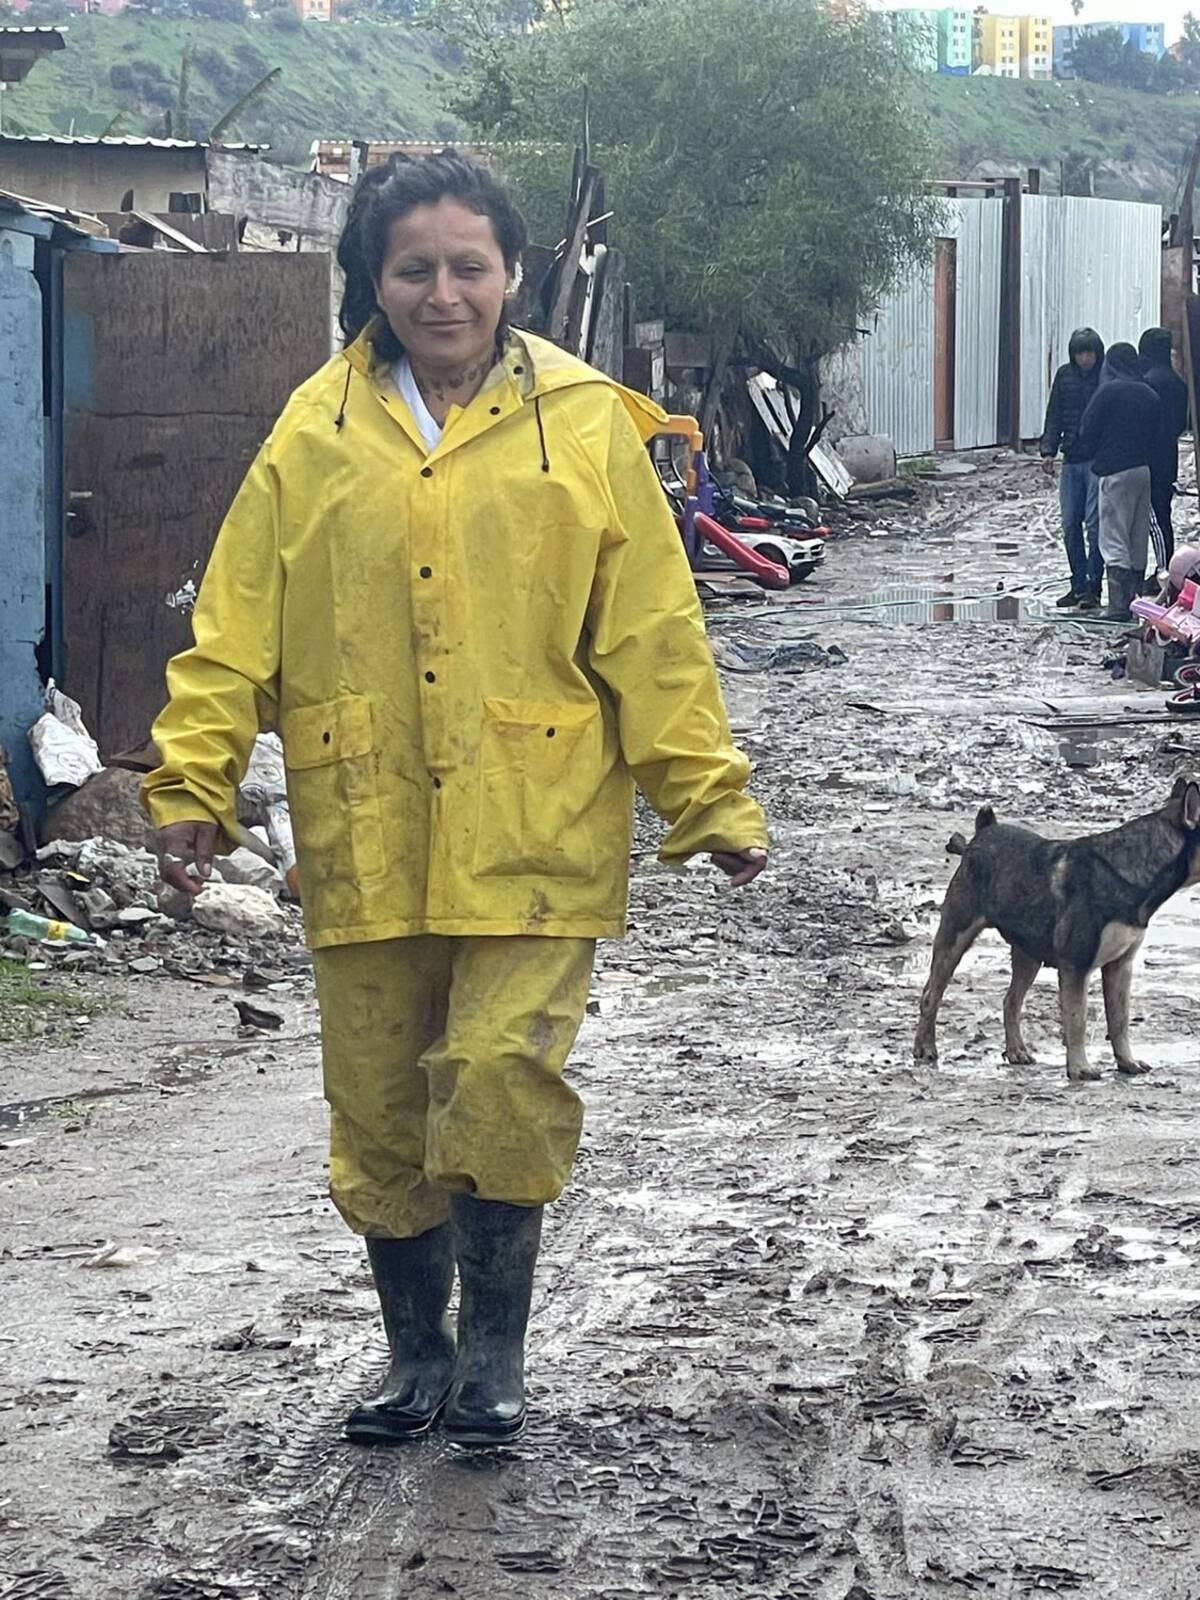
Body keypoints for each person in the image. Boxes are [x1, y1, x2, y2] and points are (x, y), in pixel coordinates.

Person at [140, 151, 768, 1448]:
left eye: (468, 267)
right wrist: (191, 782)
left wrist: (704, 794)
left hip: (537, 821)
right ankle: (412, 1358)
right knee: (379, 1114)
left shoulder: (588, 421)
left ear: (513, 275)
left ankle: (494, 1357)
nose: (443, 294)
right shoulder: (311, 433)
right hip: (364, 824)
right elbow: (233, 625)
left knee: (492, 1078)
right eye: (413, 269)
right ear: (371, 281)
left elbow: (652, 626)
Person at [1075, 342, 1161, 622]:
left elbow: (1088, 427)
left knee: (1113, 535)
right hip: (1143, 470)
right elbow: (1158, 434)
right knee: (1137, 536)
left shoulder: (1107, 391)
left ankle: (1118, 607)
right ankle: (1137, 602)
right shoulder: (1149, 394)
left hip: (1114, 471)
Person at [1040, 327, 1105, 611]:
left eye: (1089, 352)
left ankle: (1093, 585)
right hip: (1071, 459)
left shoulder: (1106, 377)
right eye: (1081, 353)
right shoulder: (1065, 376)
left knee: (1095, 526)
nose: (1085, 358)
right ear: (1074, 354)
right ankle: (1078, 583)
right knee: (1069, 524)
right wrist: (1048, 450)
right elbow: (1054, 414)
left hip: (1096, 461)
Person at [1138, 326, 1190, 568]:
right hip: (1169, 455)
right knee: (1163, 514)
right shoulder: (1178, 384)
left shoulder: (1147, 383)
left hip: (1147, 457)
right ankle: (1165, 564)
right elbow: (1182, 423)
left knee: (1149, 518)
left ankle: (1159, 569)